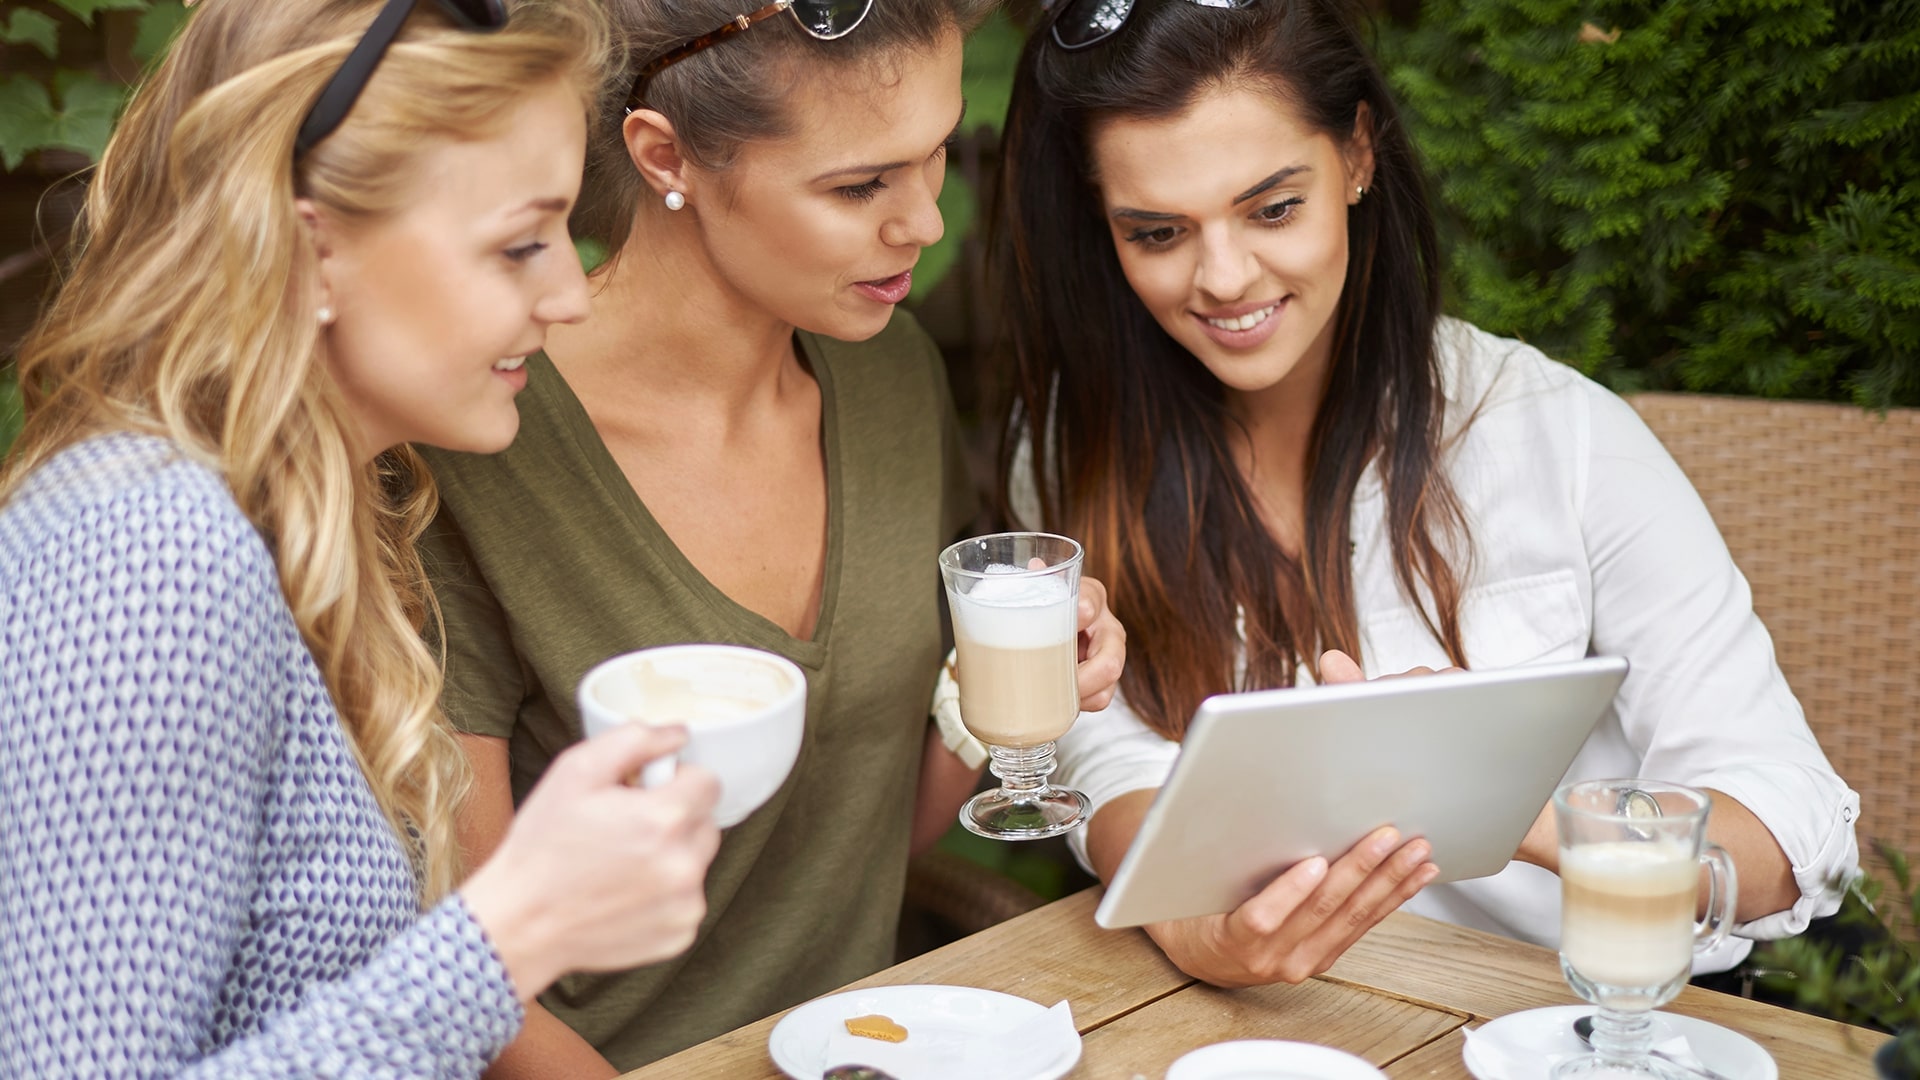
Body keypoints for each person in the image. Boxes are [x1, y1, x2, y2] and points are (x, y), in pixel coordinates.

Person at [992, 0, 1859, 989]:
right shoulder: (1072, 445)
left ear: (1358, 154)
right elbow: (1112, 760)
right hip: (1297, 1030)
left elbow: (1796, 826)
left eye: (1274, 209)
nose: (1224, 277)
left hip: (1573, 1018)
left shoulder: (1555, 435)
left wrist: (1488, 793)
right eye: (1156, 232)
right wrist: (1196, 921)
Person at [0, 1, 725, 1075]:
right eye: (520, 243)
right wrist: (512, 934)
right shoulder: (148, 556)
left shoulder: (300, 514)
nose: (569, 295)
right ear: (313, 248)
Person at [412, 0, 1127, 1072]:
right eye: (858, 186)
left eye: (934, 158)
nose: (924, 224)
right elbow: (470, 971)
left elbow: (872, 833)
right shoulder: (482, 439)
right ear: (668, 157)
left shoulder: (891, 376)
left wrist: (1011, 688)